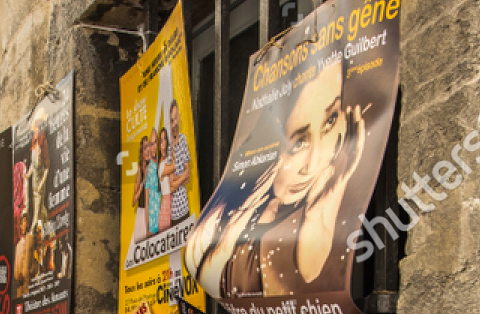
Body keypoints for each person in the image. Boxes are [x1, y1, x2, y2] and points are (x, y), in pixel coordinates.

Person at [188, 59, 365, 301]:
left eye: (330, 120)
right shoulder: (238, 211)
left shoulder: (313, 205)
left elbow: (310, 274)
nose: (313, 164)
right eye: (298, 142)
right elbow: (206, 274)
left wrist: (322, 209)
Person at [167, 98, 192, 226]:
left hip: (185, 208)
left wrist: (177, 179)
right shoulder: (166, 147)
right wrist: (182, 177)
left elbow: (188, 177)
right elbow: (169, 185)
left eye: (176, 118)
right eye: (171, 120)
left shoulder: (183, 139)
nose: (174, 123)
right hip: (171, 213)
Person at [156, 128, 174, 232]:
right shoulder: (161, 165)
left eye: (165, 139)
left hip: (171, 200)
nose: (163, 144)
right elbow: (173, 167)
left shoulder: (167, 160)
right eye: (161, 141)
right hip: (166, 201)